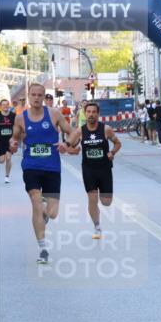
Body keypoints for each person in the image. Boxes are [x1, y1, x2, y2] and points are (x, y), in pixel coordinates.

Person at [7, 83, 75, 264]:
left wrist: (66, 144)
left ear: (44, 97)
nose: (36, 98)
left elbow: (72, 132)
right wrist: (12, 144)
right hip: (31, 166)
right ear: (28, 96)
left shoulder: (54, 114)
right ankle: (43, 248)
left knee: (52, 213)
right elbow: (14, 138)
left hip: (52, 167)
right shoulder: (20, 118)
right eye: (33, 95)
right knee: (36, 202)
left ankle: (45, 212)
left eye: (40, 95)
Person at [63, 102, 121, 239]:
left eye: (94, 112)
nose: (91, 114)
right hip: (88, 169)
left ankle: (98, 210)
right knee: (92, 198)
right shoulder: (80, 131)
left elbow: (118, 143)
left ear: (98, 114)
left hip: (105, 169)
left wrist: (112, 152)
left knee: (106, 202)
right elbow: (68, 144)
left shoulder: (106, 129)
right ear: (85, 113)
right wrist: (71, 149)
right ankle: (97, 226)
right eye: (88, 112)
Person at [0, 98, 15, 183]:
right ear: (0, 106)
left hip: (10, 140)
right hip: (0, 141)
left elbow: (16, 127)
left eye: (7, 104)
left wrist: (14, 137)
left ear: (9, 106)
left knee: (8, 158)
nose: (5, 106)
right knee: (1, 161)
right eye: (3, 104)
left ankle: (7, 176)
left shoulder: (13, 115)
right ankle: (0, 158)